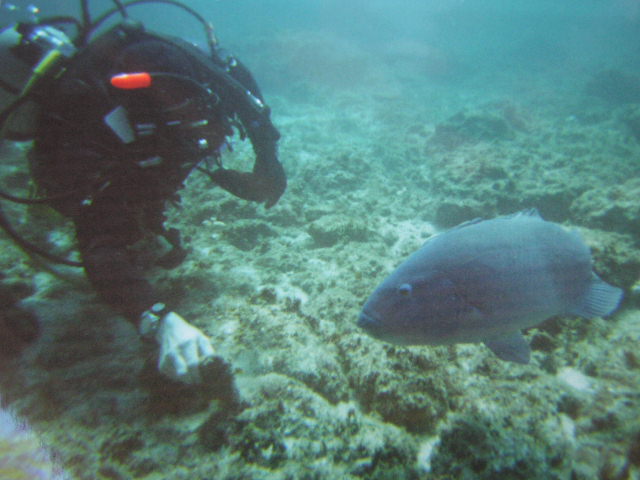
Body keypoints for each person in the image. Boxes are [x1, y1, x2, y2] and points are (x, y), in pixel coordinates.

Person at [0, 1, 286, 384]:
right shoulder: (80, 135)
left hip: (141, 157)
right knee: (121, 213)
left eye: (201, 107)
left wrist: (267, 157)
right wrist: (158, 319)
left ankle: (144, 220)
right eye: (190, 111)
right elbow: (98, 241)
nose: (210, 129)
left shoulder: (169, 63)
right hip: (116, 168)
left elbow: (233, 81)